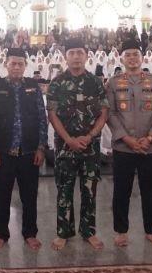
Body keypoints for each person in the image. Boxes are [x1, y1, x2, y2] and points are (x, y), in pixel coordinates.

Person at [106, 39, 152, 248]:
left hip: (150, 148)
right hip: (123, 147)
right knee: (121, 191)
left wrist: (150, 138)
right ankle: (121, 231)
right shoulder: (113, 83)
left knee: (150, 191)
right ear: (121, 59)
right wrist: (127, 139)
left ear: (142, 58)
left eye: (135, 54)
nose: (132, 58)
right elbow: (110, 114)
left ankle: (151, 231)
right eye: (128, 55)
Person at [46, 38, 108, 251]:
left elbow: (104, 112)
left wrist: (90, 136)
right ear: (66, 57)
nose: (76, 56)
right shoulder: (56, 83)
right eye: (71, 53)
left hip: (90, 146)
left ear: (86, 55)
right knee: (64, 189)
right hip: (65, 147)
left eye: (79, 52)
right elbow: (52, 115)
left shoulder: (96, 82)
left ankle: (88, 231)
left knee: (89, 190)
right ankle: (63, 232)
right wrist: (69, 140)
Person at [0, 48, 47, 251]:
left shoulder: (33, 86)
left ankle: (30, 233)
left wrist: (41, 147)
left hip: (29, 151)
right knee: (2, 195)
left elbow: (41, 118)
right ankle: (1, 234)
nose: (17, 67)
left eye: (20, 64)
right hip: (3, 152)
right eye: (13, 63)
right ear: (6, 64)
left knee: (29, 196)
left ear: (25, 65)